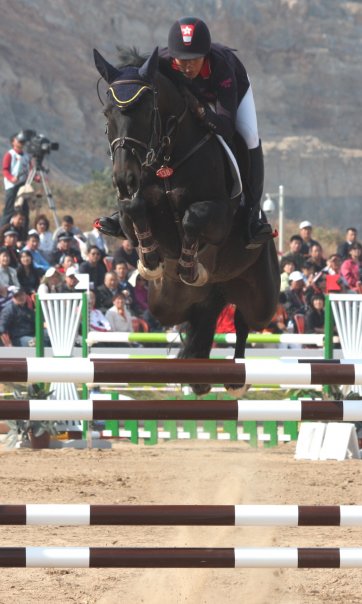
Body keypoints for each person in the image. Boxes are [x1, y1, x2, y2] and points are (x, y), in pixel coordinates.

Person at [158, 16, 272, 247]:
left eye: (194, 60)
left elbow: (226, 127)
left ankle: (253, 212)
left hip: (227, 95)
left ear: (205, 55)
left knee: (248, 135)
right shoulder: (162, 62)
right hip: (191, 101)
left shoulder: (222, 66)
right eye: (182, 60)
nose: (187, 66)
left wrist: (201, 111)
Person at [1, 132, 31, 226]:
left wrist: (36, 177)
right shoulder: (10, 154)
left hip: (23, 186)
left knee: (24, 210)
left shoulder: (26, 156)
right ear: (13, 142)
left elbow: (29, 169)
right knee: (9, 210)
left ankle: (24, 232)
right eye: (18, 140)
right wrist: (11, 178)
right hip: (12, 185)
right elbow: (5, 170)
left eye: (22, 141)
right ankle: (3, 230)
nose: (21, 143)